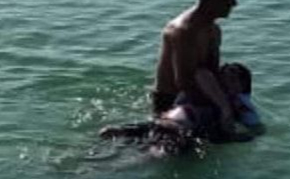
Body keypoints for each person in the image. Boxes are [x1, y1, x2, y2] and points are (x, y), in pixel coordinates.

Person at [100, 62, 262, 156]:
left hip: (176, 130)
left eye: (233, 79)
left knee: (138, 159)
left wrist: (236, 136)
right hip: (163, 125)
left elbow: (254, 130)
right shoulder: (208, 92)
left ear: (243, 86)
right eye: (224, 77)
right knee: (109, 134)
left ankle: (89, 177)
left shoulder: (237, 105)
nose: (227, 81)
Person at [151, 0, 239, 134]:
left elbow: (210, 72)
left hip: (198, 97)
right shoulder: (184, 31)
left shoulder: (214, 30)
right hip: (170, 102)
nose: (234, 3)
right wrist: (221, 108)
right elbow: (183, 82)